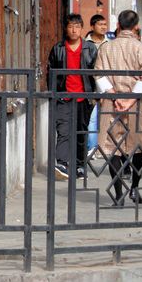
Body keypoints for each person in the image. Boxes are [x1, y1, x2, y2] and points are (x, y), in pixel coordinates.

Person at [95, 10, 142, 207]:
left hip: (111, 103)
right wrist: (129, 101)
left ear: (118, 25)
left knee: (113, 149)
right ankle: (135, 188)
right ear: (136, 26)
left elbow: (99, 75)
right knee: (140, 147)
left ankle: (119, 193)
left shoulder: (106, 48)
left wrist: (115, 96)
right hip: (135, 104)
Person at [47, 14, 97, 180]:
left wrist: (95, 96)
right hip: (63, 97)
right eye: (70, 26)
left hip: (84, 98)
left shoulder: (90, 48)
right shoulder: (58, 48)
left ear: (82, 28)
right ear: (66, 29)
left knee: (81, 132)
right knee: (63, 131)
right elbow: (50, 73)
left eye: (77, 26)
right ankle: (62, 164)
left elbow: (96, 73)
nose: (74, 30)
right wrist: (53, 94)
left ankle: (80, 165)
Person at [84, 14, 109, 152]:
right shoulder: (85, 44)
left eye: (105, 24)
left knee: (107, 117)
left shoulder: (110, 44)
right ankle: (92, 148)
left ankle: (106, 148)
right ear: (92, 26)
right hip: (90, 85)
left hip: (107, 85)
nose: (103, 27)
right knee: (92, 118)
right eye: (100, 24)